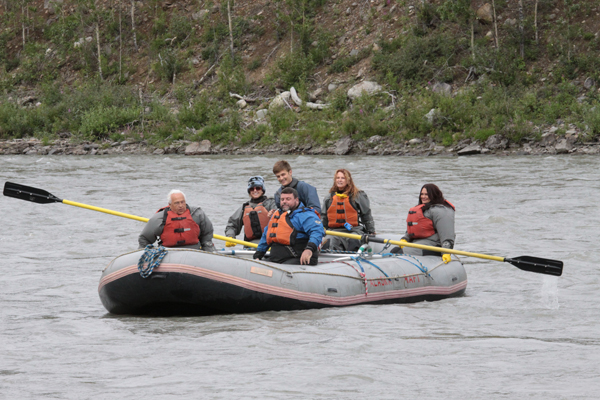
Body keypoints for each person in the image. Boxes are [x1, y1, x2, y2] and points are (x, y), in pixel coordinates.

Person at [253, 187, 324, 265]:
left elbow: (317, 231)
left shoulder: (306, 214)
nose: (284, 202)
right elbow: (266, 235)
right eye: (282, 199)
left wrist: (309, 249)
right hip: (277, 259)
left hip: (298, 258)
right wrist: (259, 254)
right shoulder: (277, 215)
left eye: (288, 199)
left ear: (296, 200)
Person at [392, 184, 455, 263]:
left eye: (426, 194)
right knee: (394, 250)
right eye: (422, 194)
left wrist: (446, 252)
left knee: (400, 253)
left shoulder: (441, 211)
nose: (423, 197)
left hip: (434, 246)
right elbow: (414, 228)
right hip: (419, 243)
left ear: (433, 195)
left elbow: (447, 233)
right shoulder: (423, 209)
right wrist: (405, 239)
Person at [138, 189, 216, 252]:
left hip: (193, 251)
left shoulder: (197, 214)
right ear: (170, 205)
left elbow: (207, 234)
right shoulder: (159, 218)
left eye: (182, 202)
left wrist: (208, 251)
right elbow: (144, 239)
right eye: (177, 203)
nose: (180, 206)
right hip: (168, 252)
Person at [321, 169, 376, 252]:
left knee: (353, 241)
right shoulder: (329, 198)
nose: (339, 180)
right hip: (334, 231)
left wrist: (371, 231)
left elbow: (366, 215)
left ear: (348, 180)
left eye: (343, 178)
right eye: (337, 178)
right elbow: (324, 217)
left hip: (353, 230)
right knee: (328, 242)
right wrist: (321, 230)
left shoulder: (357, 196)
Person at [224, 176, 277, 246]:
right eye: (252, 189)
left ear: (262, 190)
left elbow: (281, 216)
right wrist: (230, 236)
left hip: (270, 244)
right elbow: (232, 225)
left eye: (258, 188)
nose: (255, 190)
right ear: (249, 191)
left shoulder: (271, 203)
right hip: (250, 245)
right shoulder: (244, 207)